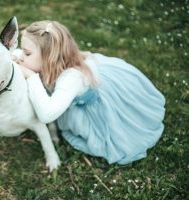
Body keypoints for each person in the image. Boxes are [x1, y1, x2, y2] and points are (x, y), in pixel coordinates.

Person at [13, 20, 165, 165]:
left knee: (118, 135)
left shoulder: (71, 78)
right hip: (78, 80)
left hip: (101, 104)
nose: (22, 58)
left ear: (49, 58)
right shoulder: (53, 62)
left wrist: (31, 76)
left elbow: (47, 115)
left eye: (26, 54)